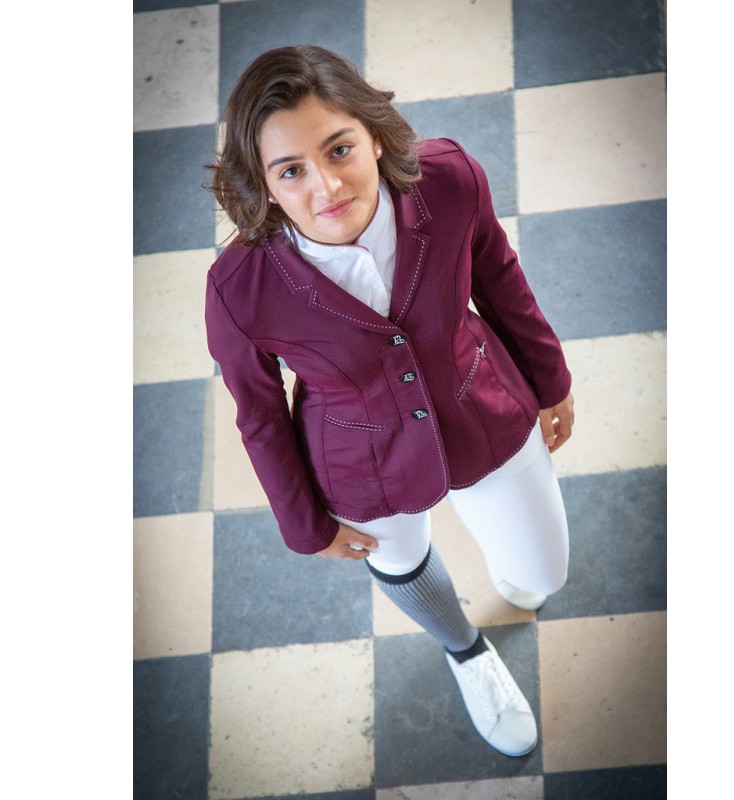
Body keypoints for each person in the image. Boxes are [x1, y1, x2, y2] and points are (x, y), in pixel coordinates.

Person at [205, 45, 574, 758]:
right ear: (265, 186)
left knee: (542, 575)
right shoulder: (237, 289)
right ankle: (466, 652)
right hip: (358, 461)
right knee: (402, 562)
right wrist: (305, 524)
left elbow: (500, 275)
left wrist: (550, 378)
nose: (326, 185)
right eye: (290, 170)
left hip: (483, 406)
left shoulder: (450, 180)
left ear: (374, 135)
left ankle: (510, 572)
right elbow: (260, 416)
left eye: (339, 148)